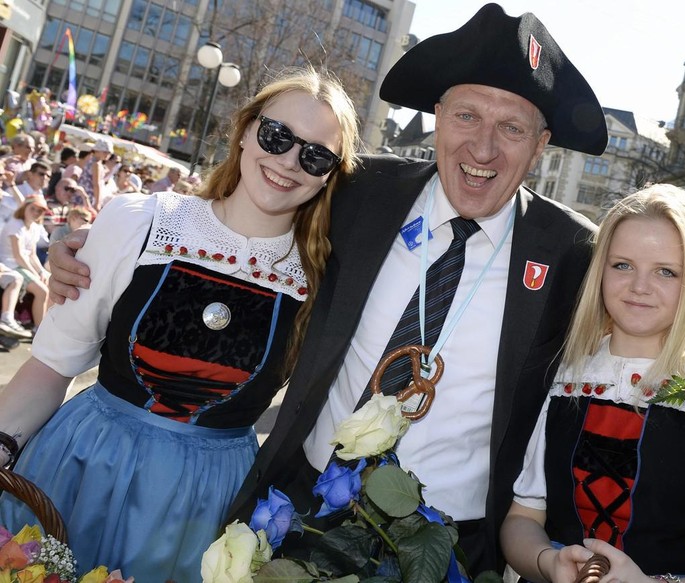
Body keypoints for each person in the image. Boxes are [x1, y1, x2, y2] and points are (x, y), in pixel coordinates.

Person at [48, 4, 608, 574]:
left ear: (540, 146)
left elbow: (645, 334)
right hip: (301, 505)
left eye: (512, 128)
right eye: (466, 116)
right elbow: (244, 219)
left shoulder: (572, 254)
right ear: (438, 116)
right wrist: (104, 240)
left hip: (449, 545)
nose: (483, 149)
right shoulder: (359, 191)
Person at [0, 67, 361, 583]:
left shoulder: (322, 282)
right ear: (244, 130)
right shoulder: (139, 222)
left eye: (315, 155)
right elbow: (51, 367)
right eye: (277, 136)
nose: (287, 161)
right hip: (80, 469)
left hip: (205, 511)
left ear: (331, 173)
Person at [500, 185, 685, 583]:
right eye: (622, 265)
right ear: (600, 269)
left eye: (665, 271)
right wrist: (547, 562)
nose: (639, 286)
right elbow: (522, 519)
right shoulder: (565, 375)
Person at [0, 194, 50, 330]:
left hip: (22, 265)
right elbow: (18, 256)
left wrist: (41, 272)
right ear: (25, 207)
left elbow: (32, 254)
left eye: (39, 210)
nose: (36, 213)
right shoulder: (15, 225)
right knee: (42, 291)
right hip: (11, 265)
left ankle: (47, 323)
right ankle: (39, 328)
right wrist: (35, 273)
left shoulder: (34, 227)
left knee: (50, 281)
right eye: (33, 208)